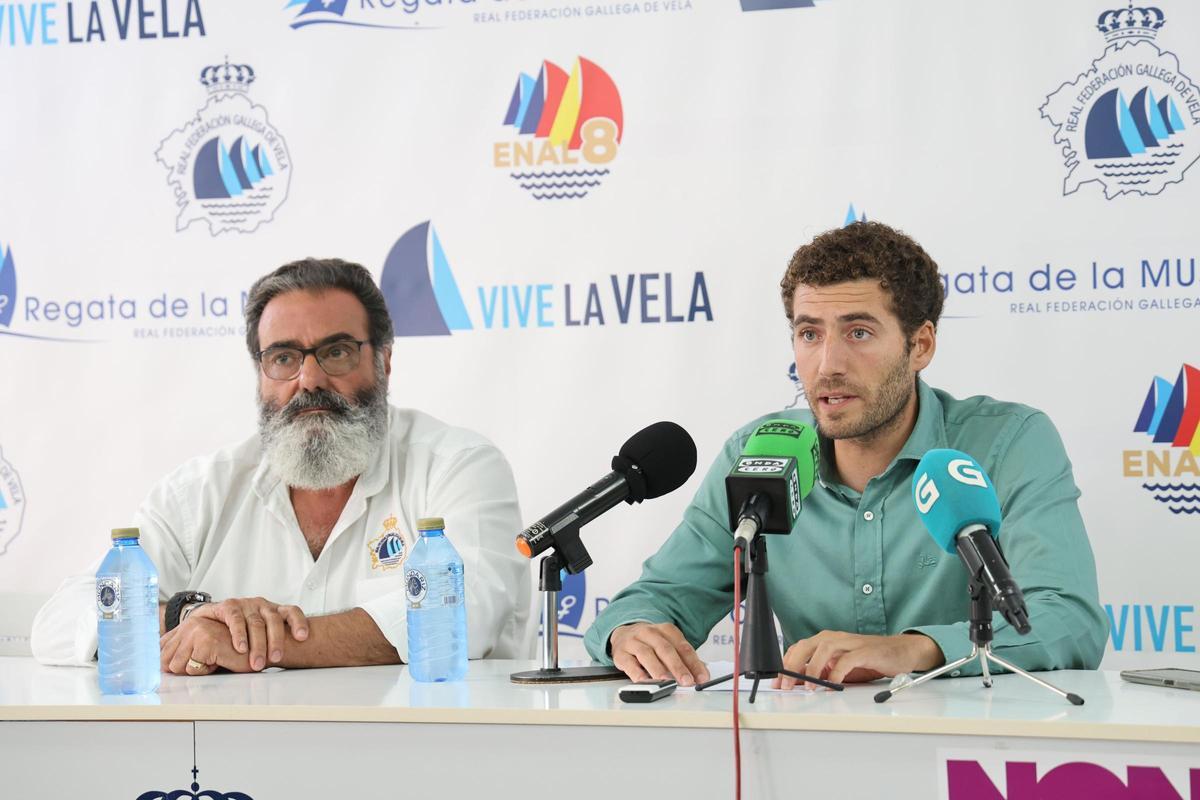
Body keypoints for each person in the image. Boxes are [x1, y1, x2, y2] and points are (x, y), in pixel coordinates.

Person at [584, 221, 1107, 688]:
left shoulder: (1008, 442)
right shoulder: (757, 453)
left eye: (858, 332)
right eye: (809, 333)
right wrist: (632, 631)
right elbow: (660, 596)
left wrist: (914, 650)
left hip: (967, 749)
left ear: (920, 345)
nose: (827, 364)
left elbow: (1068, 620)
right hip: (811, 748)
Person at [32, 258, 533, 674]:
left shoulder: (458, 465)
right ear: (261, 373)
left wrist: (252, 643)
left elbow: (467, 612)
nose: (308, 379)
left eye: (335, 352)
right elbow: (62, 617)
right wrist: (184, 618)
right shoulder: (201, 491)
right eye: (284, 358)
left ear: (384, 361)